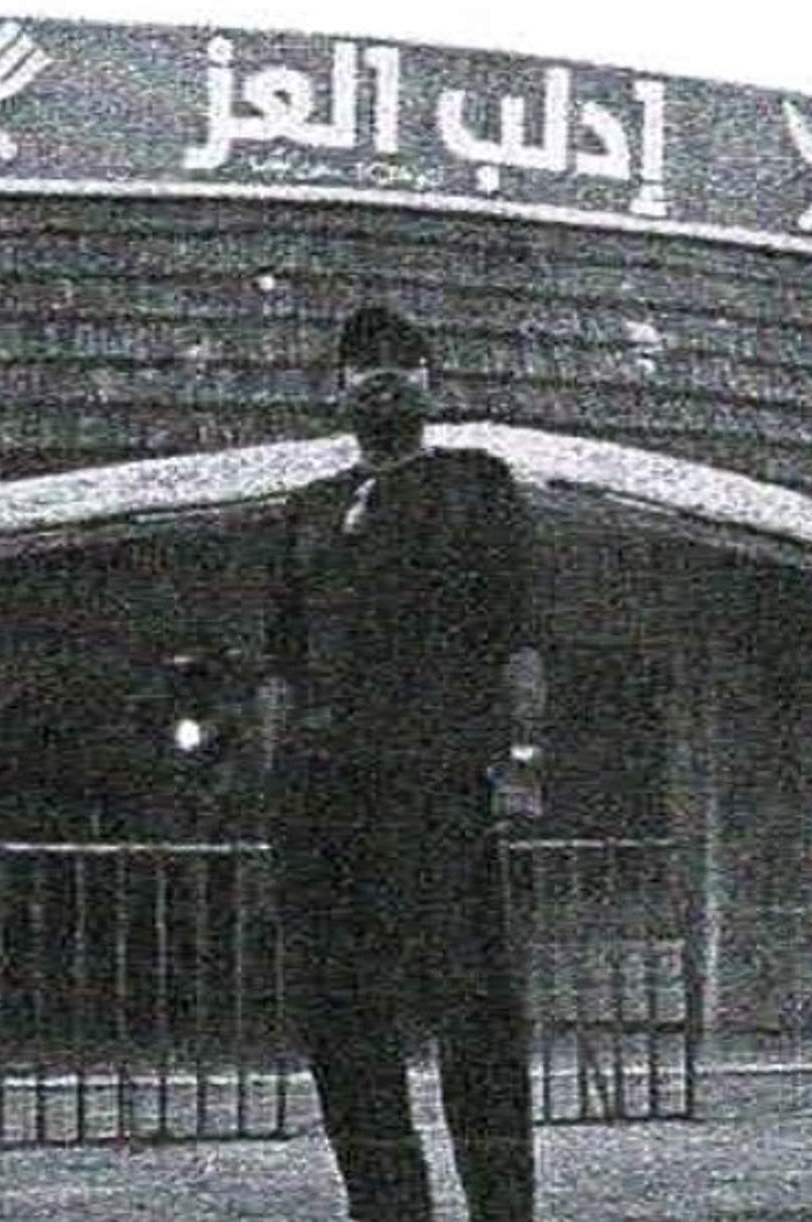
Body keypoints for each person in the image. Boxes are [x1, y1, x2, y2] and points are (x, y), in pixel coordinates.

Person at [261, 305, 546, 1222]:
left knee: (475, 1014)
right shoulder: (304, 510)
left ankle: (502, 1211)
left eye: (405, 362)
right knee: (343, 1021)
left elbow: (520, 635)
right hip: (326, 796)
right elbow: (283, 663)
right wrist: (276, 787)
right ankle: (388, 1210)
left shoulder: (474, 485)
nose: (384, 377)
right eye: (363, 364)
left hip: (440, 783)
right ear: (338, 388)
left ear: (430, 383)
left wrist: (519, 759)